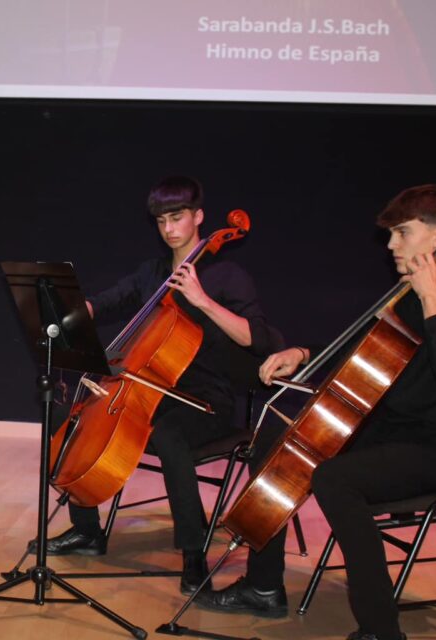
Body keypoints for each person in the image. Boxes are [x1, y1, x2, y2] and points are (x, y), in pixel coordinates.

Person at [198, 184, 436, 640]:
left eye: (402, 233)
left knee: (335, 479)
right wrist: (302, 353)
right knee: (279, 434)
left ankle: (381, 629)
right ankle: (263, 587)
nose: (391, 245)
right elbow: (363, 354)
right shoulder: (403, 295)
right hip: (391, 432)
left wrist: (432, 299)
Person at [30, 176, 283, 594]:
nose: (170, 229)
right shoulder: (152, 273)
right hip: (150, 392)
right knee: (65, 416)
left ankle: (192, 554)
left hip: (206, 401)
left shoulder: (226, 275)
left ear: (199, 217)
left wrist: (202, 301)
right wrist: (77, 311)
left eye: (178, 217)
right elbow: (112, 298)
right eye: (162, 220)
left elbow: (255, 338)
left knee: (168, 436)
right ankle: (87, 531)